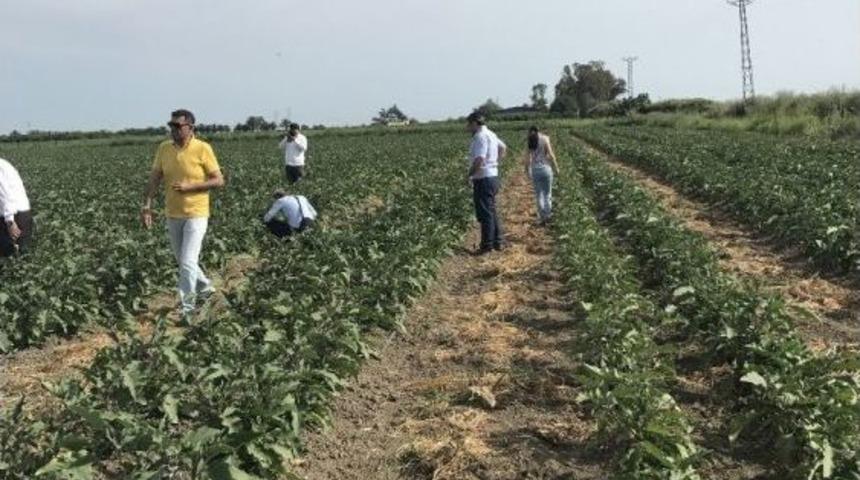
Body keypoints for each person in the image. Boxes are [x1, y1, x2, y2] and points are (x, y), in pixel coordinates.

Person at [142, 109, 225, 316]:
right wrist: (147, 206)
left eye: (178, 126)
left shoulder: (202, 148)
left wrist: (192, 187)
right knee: (183, 262)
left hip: (197, 213)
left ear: (190, 128)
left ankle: (188, 308)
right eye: (171, 126)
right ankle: (206, 288)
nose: (173, 130)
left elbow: (218, 180)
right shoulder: (164, 148)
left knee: (188, 262)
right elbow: (154, 178)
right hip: (173, 214)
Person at [466, 112, 507, 255]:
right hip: (492, 176)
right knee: (491, 210)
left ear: (475, 123)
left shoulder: (480, 137)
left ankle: (487, 246)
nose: (468, 127)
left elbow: (479, 160)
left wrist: (470, 175)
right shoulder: (491, 134)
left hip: (483, 178)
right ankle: (498, 241)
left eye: (469, 124)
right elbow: (503, 148)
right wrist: (495, 164)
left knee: (485, 213)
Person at [523, 126, 560, 225]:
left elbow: (527, 159)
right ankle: (548, 216)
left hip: (535, 170)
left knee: (539, 195)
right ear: (538, 131)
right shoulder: (545, 139)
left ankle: (542, 217)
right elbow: (551, 155)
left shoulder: (530, 141)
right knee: (548, 194)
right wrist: (556, 167)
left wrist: (527, 171)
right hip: (546, 169)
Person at [0, 157, 34, 257]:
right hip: (12, 214)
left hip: (15, 215)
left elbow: (5, 195)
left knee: (16, 255)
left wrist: (10, 222)